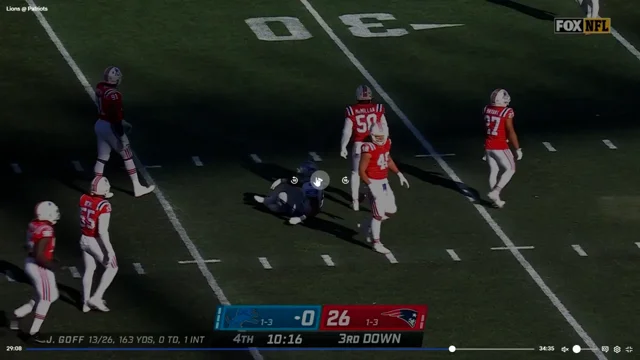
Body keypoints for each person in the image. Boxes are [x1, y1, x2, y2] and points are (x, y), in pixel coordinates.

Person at [94, 66, 154, 197]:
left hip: (100, 123)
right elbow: (115, 118)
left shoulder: (100, 86)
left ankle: (95, 186)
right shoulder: (115, 95)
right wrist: (121, 136)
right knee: (127, 154)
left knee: (102, 158)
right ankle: (137, 187)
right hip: (110, 126)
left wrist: (122, 122)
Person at [11, 202, 61, 343]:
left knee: (52, 296)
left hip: (32, 262)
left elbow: (28, 245)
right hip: (39, 265)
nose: (56, 214)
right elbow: (39, 255)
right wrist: (51, 263)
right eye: (54, 212)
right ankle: (34, 333)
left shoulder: (34, 224)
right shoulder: (47, 230)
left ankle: (21, 312)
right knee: (46, 298)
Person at [358, 122, 409, 254]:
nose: (379, 139)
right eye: (377, 137)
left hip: (384, 181)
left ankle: (366, 224)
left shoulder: (387, 143)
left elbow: (388, 159)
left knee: (391, 210)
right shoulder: (368, 148)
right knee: (378, 215)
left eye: (381, 136)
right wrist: (370, 186)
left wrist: (399, 173)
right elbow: (361, 171)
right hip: (373, 182)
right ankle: (376, 242)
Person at [340, 85, 388, 211]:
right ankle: (378, 199)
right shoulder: (377, 108)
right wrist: (383, 143)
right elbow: (385, 127)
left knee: (355, 173)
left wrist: (343, 146)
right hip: (374, 145)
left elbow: (347, 131)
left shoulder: (352, 110)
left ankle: (355, 202)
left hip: (359, 145)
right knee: (375, 174)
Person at [79, 176, 119, 312]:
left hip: (83, 238)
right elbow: (102, 231)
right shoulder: (104, 205)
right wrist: (110, 249)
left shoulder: (83, 198)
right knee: (113, 267)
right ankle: (97, 297)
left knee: (89, 269)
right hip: (94, 240)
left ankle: (85, 303)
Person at [483, 89, 522, 208]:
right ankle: (496, 191)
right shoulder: (507, 111)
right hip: (500, 146)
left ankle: (496, 201)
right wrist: (517, 148)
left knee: (494, 171)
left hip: (488, 145)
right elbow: (510, 130)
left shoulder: (486, 109)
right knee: (511, 169)